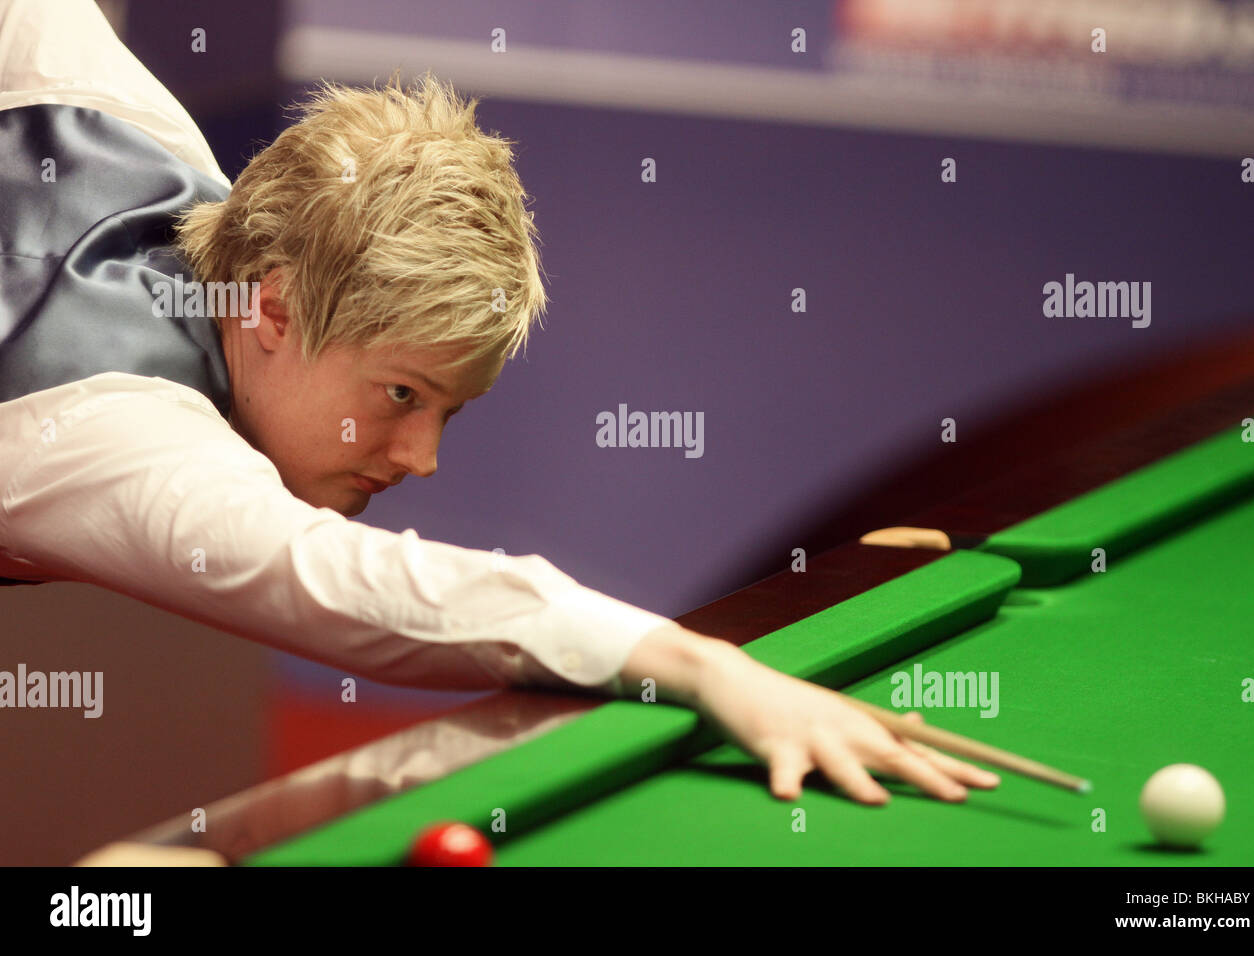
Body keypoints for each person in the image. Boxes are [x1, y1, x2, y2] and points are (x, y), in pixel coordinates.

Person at [0, 0, 997, 809]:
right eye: (400, 393)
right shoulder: (115, 438)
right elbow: (350, 585)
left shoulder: (98, 93)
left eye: (449, 411)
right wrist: (701, 667)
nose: (420, 455)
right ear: (272, 305)